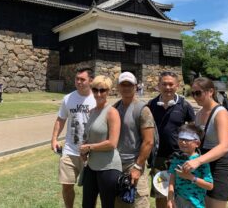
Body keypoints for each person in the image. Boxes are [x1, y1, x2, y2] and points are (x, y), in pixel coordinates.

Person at [182, 77, 228, 208]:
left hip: (219, 166)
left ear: (210, 91)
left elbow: (224, 146)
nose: (195, 97)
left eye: (198, 93)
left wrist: (198, 161)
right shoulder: (199, 113)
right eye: (193, 93)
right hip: (204, 164)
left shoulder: (221, 113)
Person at [147, 71, 195, 208]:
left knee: (180, 193)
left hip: (180, 158)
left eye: (171, 84)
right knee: (161, 194)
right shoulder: (151, 105)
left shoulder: (184, 105)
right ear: (158, 86)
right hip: (159, 158)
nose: (168, 87)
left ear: (177, 86)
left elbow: (195, 130)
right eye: (164, 84)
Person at [50, 68, 96, 208]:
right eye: (77, 79)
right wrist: (54, 139)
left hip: (90, 152)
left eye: (82, 79)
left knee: (90, 190)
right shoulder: (68, 98)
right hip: (70, 150)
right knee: (66, 186)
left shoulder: (96, 99)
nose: (78, 82)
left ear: (91, 81)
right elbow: (61, 119)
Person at [114, 71, 155, 208]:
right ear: (118, 87)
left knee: (138, 202)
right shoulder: (115, 108)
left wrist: (138, 167)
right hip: (116, 165)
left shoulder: (143, 109)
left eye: (129, 85)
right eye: (123, 84)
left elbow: (149, 141)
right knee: (119, 203)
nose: (126, 88)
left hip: (134, 164)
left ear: (136, 86)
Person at [80, 75, 122, 208]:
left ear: (108, 91)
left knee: (107, 205)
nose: (98, 93)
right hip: (92, 166)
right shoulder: (91, 111)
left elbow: (112, 143)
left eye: (102, 90)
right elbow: (89, 136)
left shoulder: (112, 112)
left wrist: (89, 147)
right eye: (95, 90)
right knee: (87, 204)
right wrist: (84, 151)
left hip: (108, 167)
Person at [167, 124, 213, 208]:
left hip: (196, 204)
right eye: (181, 138)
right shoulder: (176, 158)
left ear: (197, 143)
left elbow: (209, 186)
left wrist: (190, 177)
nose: (183, 142)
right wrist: (170, 199)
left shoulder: (202, 161)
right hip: (178, 201)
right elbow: (171, 181)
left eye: (187, 139)